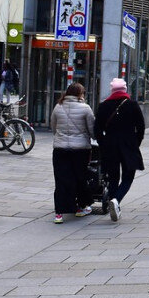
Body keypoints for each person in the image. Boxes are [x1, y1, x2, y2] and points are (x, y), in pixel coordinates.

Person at [94, 78, 145, 222]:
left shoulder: (103, 106)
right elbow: (141, 127)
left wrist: (103, 143)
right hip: (129, 144)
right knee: (128, 176)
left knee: (113, 177)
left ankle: (113, 200)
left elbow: (97, 129)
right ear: (125, 90)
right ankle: (116, 200)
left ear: (112, 90)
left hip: (110, 145)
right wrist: (136, 142)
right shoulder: (132, 105)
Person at [49, 82, 95, 224]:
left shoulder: (58, 107)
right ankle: (81, 207)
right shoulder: (86, 108)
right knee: (79, 178)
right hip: (80, 150)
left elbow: (53, 127)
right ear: (80, 94)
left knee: (61, 179)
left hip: (60, 149)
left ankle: (59, 213)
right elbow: (92, 130)